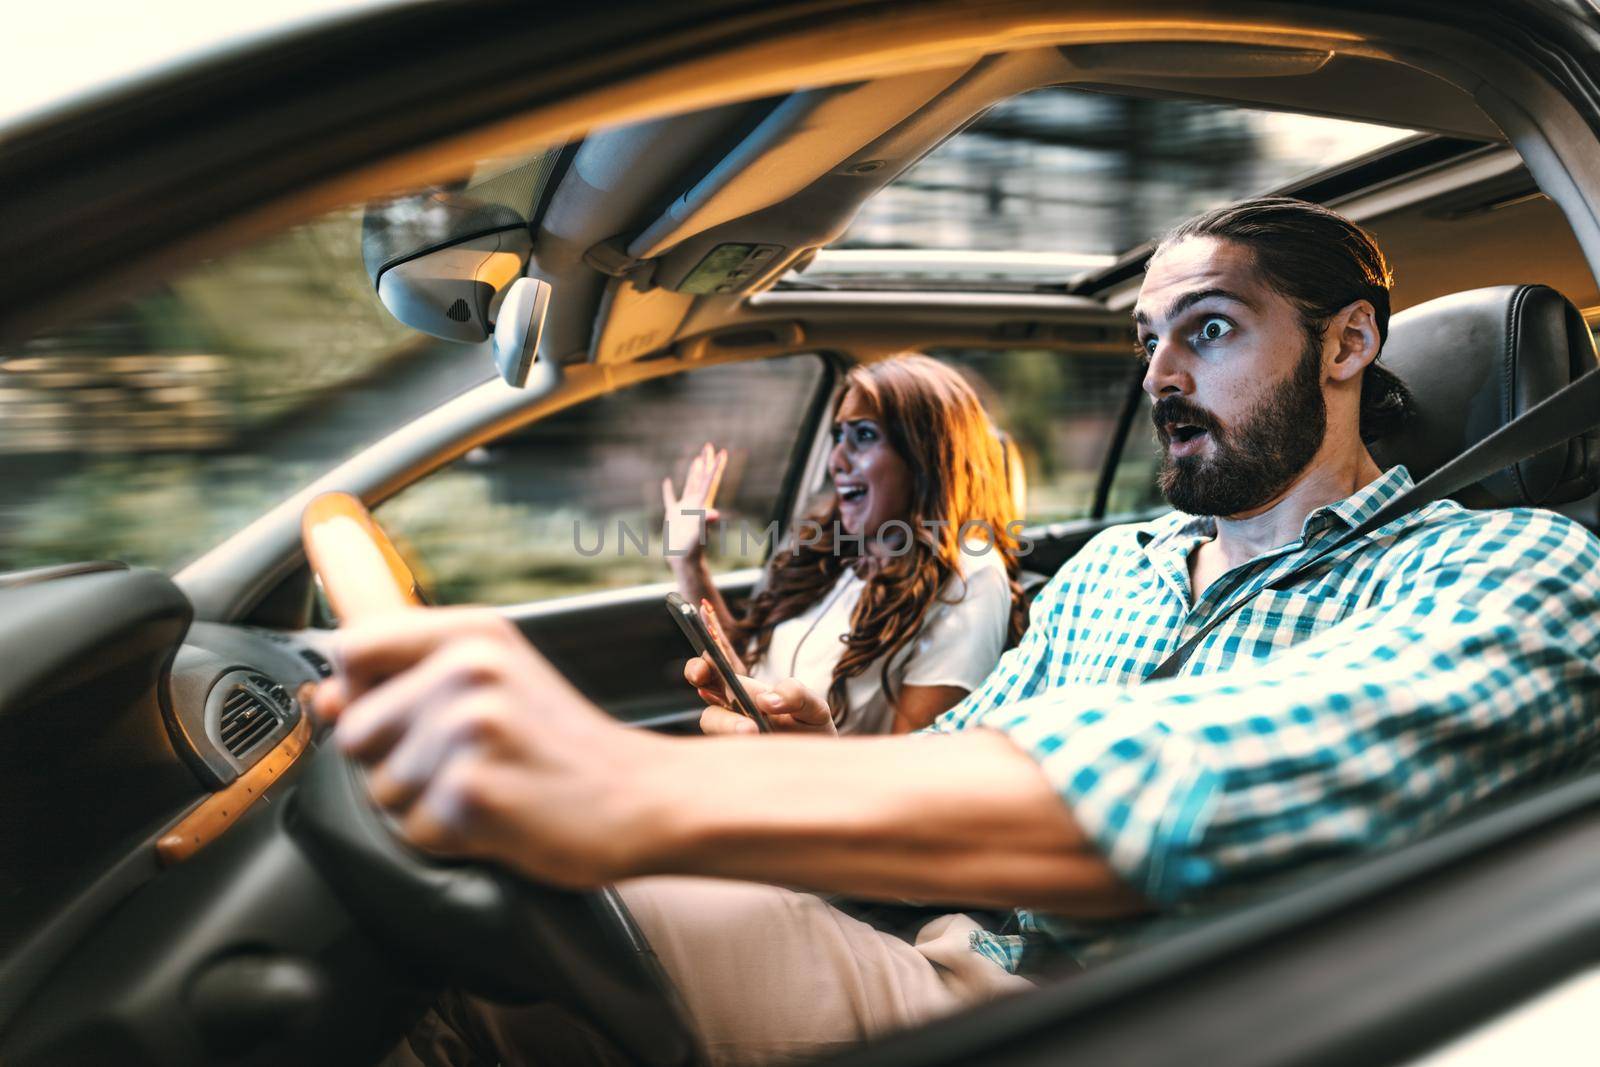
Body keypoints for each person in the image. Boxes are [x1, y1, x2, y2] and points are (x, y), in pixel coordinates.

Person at [329, 197, 1600, 1066]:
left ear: (1349, 342)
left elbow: (1199, 784)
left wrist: (622, 780)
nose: (1157, 378)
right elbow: (966, 768)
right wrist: (814, 757)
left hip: (1152, 1015)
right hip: (937, 952)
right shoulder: (1115, 567)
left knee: (495, 931)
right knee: (463, 936)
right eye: (1147, 341)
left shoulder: (1517, 565)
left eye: (1206, 331)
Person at [660, 354, 1025, 734]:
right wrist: (686, 561)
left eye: (864, 435)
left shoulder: (970, 578)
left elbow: (916, 765)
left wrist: (811, 750)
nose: (836, 461)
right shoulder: (836, 550)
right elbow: (758, 676)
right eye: (838, 437)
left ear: (927, 454)